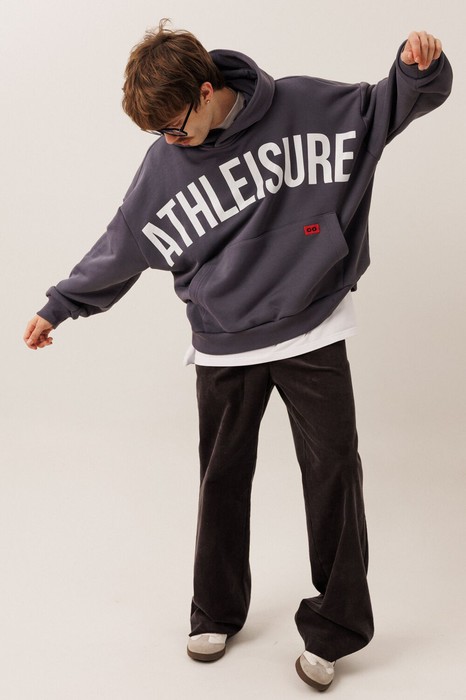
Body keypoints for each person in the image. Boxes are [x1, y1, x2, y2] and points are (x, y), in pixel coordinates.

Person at [23, 21, 452, 691]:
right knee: (222, 475)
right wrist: (60, 305)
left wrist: (416, 71)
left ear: (206, 90)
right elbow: (123, 243)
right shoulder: (166, 163)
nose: (170, 141)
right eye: (157, 133)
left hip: (312, 325)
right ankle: (216, 610)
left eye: (175, 127)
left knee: (334, 473)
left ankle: (336, 628)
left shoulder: (307, 107)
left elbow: (387, 107)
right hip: (224, 339)